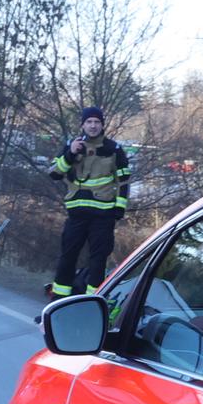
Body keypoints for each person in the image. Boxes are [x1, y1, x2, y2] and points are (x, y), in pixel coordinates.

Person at [47, 106, 132, 296]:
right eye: (89, 122)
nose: (93, 126)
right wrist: (70, 154)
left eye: (96, 122)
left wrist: (119, 209)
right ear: (83, 125)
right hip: (76, 214)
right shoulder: (72, 145)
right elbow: (54, 173)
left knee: (98, 260)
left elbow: (124, 181)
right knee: (68, 257)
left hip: (103, 216)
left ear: (102, 125)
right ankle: (59, 299)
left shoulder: (113, 149)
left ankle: (92, 302)